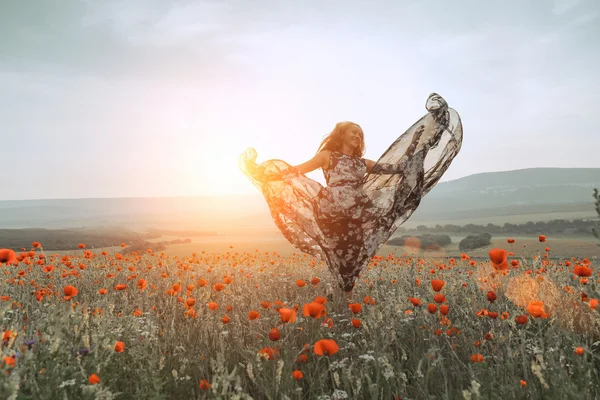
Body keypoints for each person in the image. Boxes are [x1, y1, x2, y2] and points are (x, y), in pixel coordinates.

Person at [239, 93, 463, 300]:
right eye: (353, 131)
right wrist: (264, 172)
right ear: (341, 135)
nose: (357, 135)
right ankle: (341, 296)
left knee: (354, 257)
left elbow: (398, 168)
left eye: (360, 134)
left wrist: (419, 142)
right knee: (340, 256)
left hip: (358, 212)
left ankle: (344, 297)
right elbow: (297, 170)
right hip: (332, 212)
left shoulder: (362, 163)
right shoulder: (328, 156)